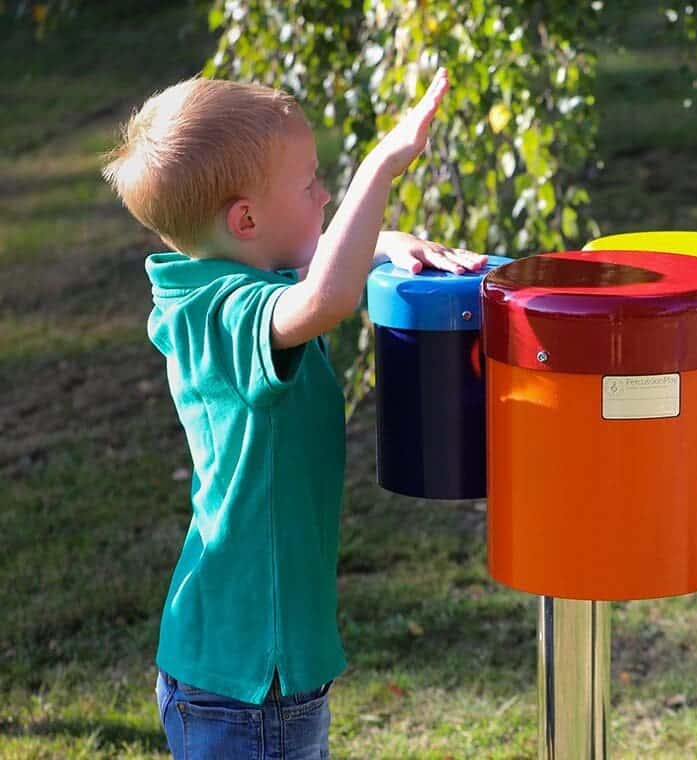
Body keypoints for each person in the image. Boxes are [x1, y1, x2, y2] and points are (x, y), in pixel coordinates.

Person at [102, 67, 484, 758]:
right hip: (247, 681)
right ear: (245, 219)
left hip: (252, 666)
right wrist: (382, 165)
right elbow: (324, 298)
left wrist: (384, 242)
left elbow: (313, 269)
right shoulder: (220, 312)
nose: (326, 192)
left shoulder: (237, 275)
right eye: (310, 184)